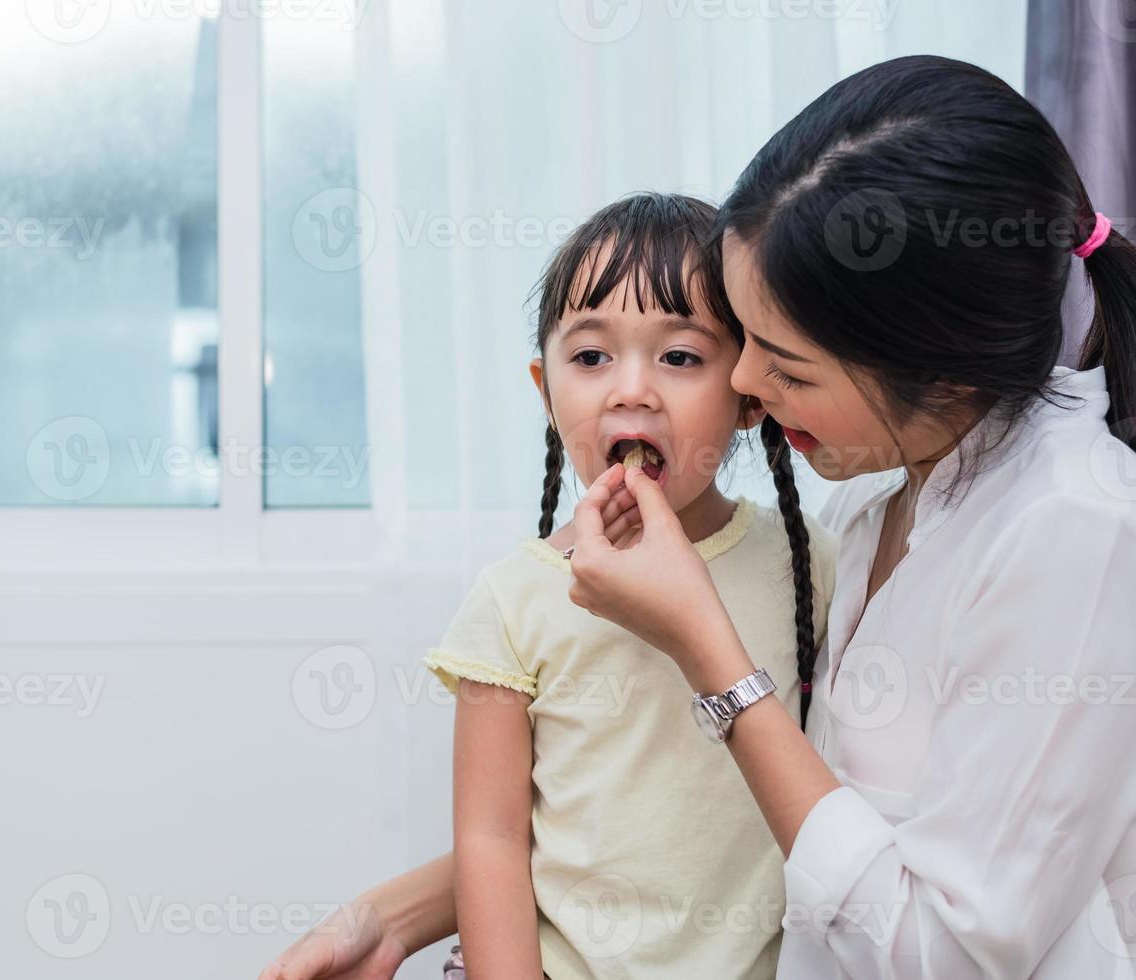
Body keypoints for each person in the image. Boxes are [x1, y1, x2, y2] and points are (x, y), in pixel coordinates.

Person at [260, 55, 1136, 980]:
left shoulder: (1071, 530)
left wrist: (705, 649)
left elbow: (939, 951)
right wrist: (397, 918)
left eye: (781, 367)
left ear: (943, 374)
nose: (748, 386)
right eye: (748, 342)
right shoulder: (879, 495)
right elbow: (735, 819)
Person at [423, 193, 836, 979]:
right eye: (591, 358)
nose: (631, 390)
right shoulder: (513, 598)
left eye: (680, 357)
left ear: (749, 392)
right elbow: (491, 840)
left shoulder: (809, 561)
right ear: (545, 388)